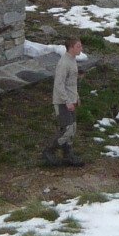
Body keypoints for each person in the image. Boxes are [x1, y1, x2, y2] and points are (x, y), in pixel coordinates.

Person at [42, 38, 85, 167]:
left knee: (72, 128)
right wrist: (66, 101)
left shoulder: (72, 60)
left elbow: (71, 83)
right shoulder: (64, 63)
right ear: (71, 47)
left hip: (71, 100)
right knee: (67, 129)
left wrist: (76, 97)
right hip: (62, 102)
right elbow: (59, 84)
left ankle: (68, 155)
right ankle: (49, 151)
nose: (81, 49)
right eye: (78, 46)